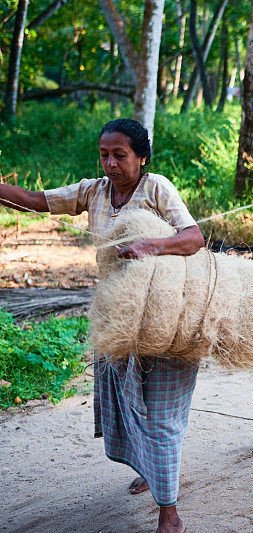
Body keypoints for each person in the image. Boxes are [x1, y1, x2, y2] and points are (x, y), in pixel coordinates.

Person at [0, 118, 205, 532]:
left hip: (168, 314)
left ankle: (170, 515)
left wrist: (154, 245)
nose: (110, 163)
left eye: (120, 155)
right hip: (120, 317)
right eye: (104, 154)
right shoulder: (93, 191)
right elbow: (33, 199)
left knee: (161, 413)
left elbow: (193, 238)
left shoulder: (156, 188)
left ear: (141, 157)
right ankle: (152, 472)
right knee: (129, 401)